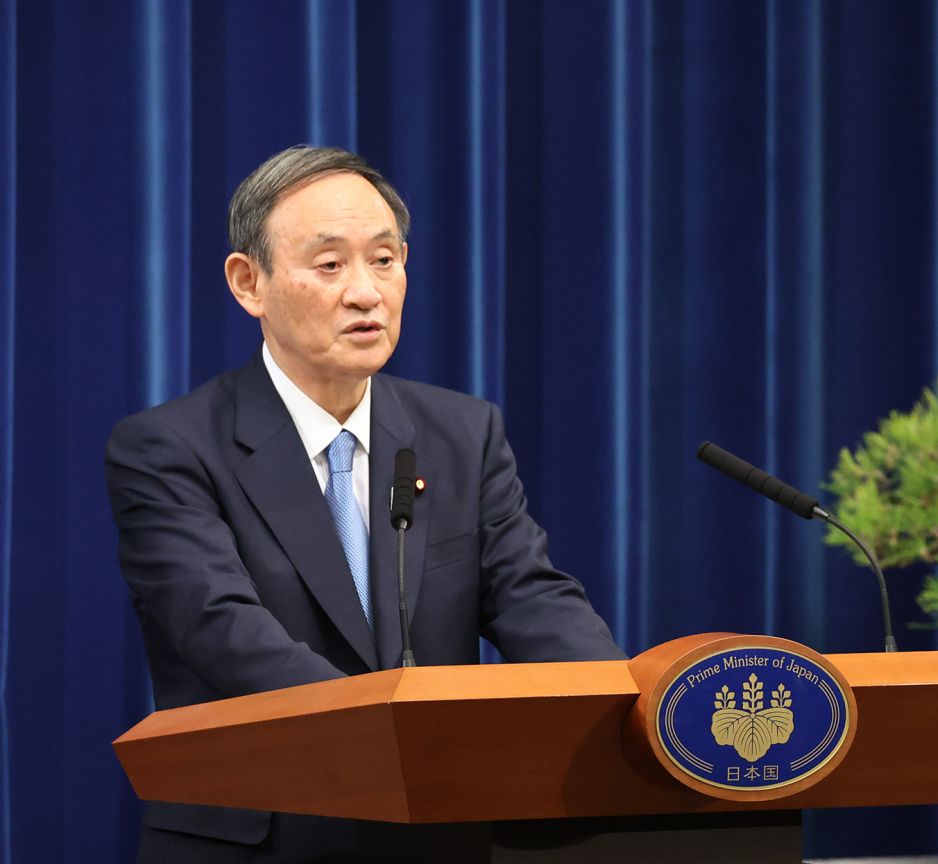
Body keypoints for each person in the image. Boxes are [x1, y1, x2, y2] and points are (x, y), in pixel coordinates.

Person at [106, 145, 625, 863]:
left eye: (384, 261)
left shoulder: (462, 434)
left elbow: (534, 599)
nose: (366, 292)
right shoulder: (168, 447)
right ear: (247, 282)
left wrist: (618, 714)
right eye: (330, 266)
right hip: (264, 836)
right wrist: (397, 738)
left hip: (439, 835)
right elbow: (219, 628)